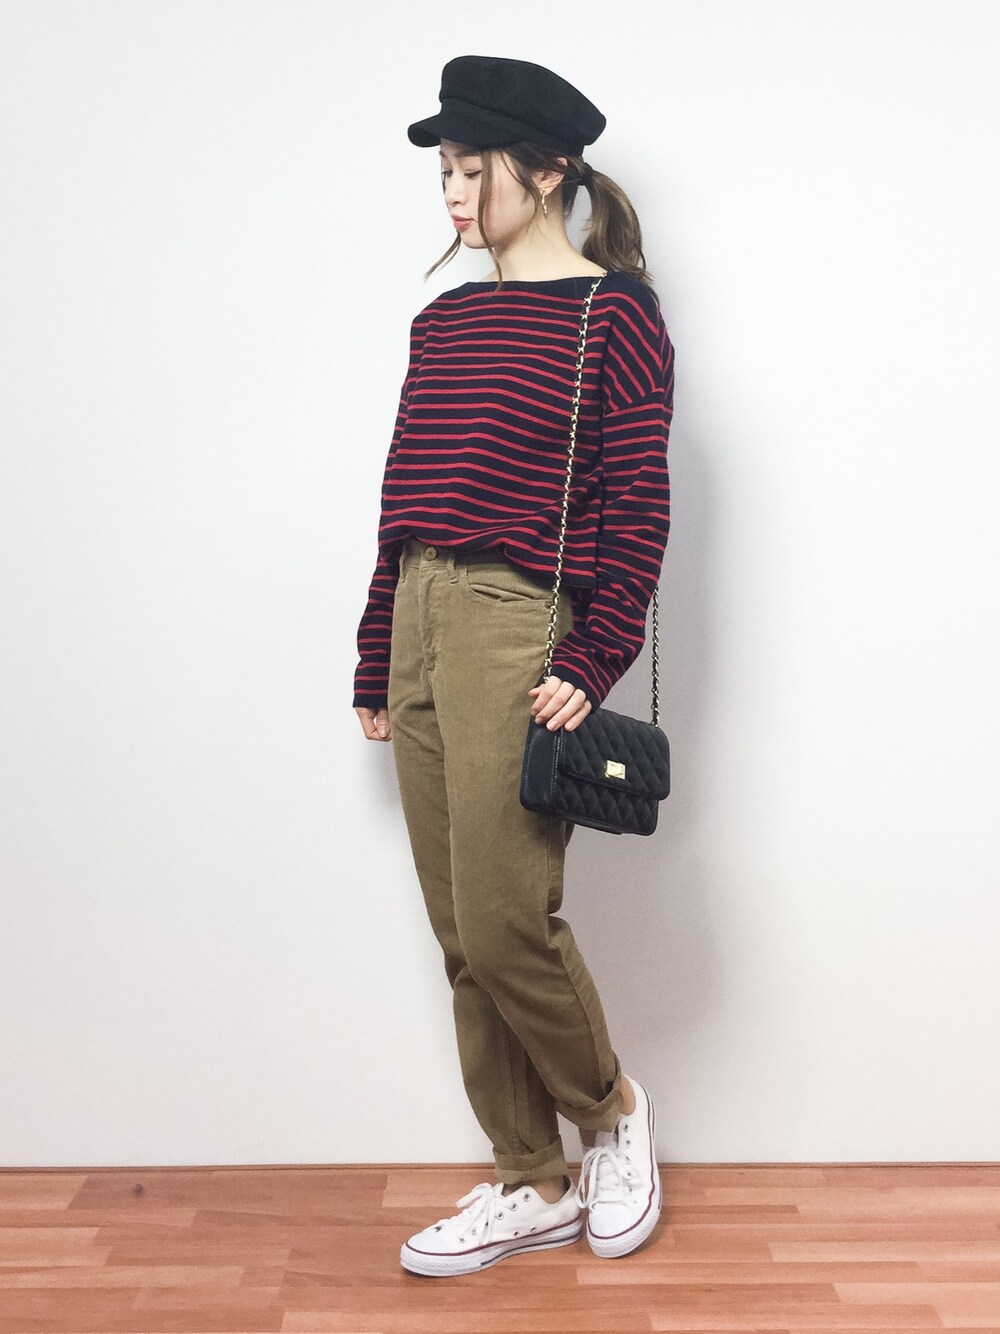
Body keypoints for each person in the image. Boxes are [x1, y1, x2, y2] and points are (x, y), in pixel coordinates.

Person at [352, 54, 675, 1277]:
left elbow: (635, 505)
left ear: (545, 173)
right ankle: (528, 1175)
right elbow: (404, 494)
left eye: (469, 167)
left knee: (502, 920)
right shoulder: (443, 320)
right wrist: (376, 647)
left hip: (515, 618)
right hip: (422, 609)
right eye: (442, 169)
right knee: (459, 930)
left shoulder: (613, 317)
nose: (449, 191)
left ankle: (612, 1110)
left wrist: (594, 653)